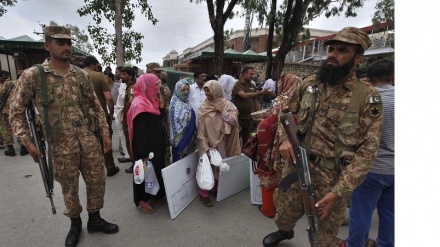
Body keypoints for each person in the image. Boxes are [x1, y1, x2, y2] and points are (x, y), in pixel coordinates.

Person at [262, 27, 383, 247]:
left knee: (323, 235)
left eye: (342, 50)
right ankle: (285, 232)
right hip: (298, 165)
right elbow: (285, 112)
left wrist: (339, 192)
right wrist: (285, 139)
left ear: (358, 58)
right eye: (332, 49)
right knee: (284, 213)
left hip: (332, 177)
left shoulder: (367, 97)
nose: (332, 55)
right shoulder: (309, 85)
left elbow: (367, 152)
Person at [9, 25, 118, 247]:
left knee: (97, 180)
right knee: (69, 186)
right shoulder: (34, 75)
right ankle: (75, 222)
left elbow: (96, 106)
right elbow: (16, 111)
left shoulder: (81, 75)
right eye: (60, 42)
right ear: (47, 46)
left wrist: (105, 132)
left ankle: (95, 218)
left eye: (68, 42)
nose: (66, 46)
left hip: (87, 137)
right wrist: (28, 143)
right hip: (60, 142)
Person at [345, 59, 394, 247]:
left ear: (370, 78)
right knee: (391, 214)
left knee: (361, 214)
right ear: (393, 77)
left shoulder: (363, 99)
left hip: (370, 169)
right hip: (396, 170)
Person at [255, 73, 302, 218]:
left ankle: (268, 209)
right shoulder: (303, 100)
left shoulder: (282, 100)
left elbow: (275, 121)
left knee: (269, 173)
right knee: (290, 176)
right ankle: (284, 210)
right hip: (297, 142)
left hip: (276, 144)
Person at [127, 73, 167, 214]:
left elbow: (157, 121)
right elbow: (140, 133)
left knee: (156, 170)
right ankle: (143, 201)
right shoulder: (139, 104)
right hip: (145, 147)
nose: (158, 87)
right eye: (155, 85)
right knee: (144, 173)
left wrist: (161, 107)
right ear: (147, 86)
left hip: (156, 144)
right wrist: (143, 153)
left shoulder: (151, 101)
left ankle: (156, 194)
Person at [197, 80, 241, 207]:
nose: (206, 93)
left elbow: (233, 122)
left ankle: (216, 189)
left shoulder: (227, 105)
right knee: (206, 166)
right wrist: (203, 142)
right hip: (206, 141)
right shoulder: (204, 105)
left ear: (216, 90)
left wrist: (222, 112)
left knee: (218, 166)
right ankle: (204, 194)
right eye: (205, 90)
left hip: (221, 142)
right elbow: (199, 126)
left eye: (208, 90)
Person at [83, 56, 119, 177]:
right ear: (93, 65)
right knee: (105, 141)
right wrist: (110, 113)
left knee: (89, 144)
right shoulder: (99, 76)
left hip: (83, 118)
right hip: (100, 115)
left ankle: (93, 171)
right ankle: (110, 168)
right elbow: (109, 98)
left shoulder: (75, 75)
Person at [232, 66, 274, 146]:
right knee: (237, 140)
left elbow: (255, 101)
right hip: (239, 118)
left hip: (250, 119)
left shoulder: (253, 86)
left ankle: (246, 157)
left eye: (253, 74)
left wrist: (258, 115)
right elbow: (243, 95)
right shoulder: (237, 85)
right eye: (251, 74)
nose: (252, 76)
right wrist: (261, 92)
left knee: (248, 140)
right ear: (244, 74)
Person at [0, 70, 28, 156]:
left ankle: (10, 149)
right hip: (16, 109)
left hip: (4, 110)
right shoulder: (16, 83)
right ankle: (23, 148)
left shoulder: (2, 85)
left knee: (6, 129)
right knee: (19, 127)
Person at [168, 79, 197, 163]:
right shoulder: (174, 105)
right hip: (180, 142)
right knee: (179, 166)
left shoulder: (187, 103)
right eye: (183, 90)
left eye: (188, 89)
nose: (186, 92)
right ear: (177, 90)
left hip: (189, 141)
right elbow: (176, 125)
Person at [119, 67, 136, 173]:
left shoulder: (132, 87)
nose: (121, 76)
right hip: (129, 118)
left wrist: (125, 114)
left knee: (131, 143)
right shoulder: (129, 86)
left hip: (129, 120)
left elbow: (131, 101)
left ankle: (135, 164)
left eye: (124, 74)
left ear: (130, 76)